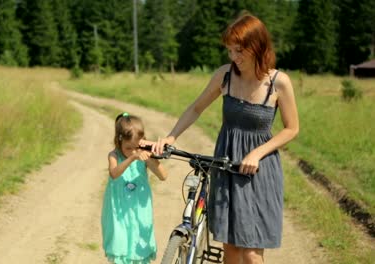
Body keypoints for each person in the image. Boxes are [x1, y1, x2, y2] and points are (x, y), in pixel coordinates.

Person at [152, 13, 299, 264]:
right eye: (230, 51)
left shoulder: (279, 82)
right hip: (227, 163)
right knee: (230, 246)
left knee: (252, 253)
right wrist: (170, 136)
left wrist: (256, 153)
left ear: (257, 46)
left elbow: (291, 128)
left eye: (239, 50)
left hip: (259, 170)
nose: (234, 57)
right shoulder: (225, 76)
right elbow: (196, 108)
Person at [102, 112, 168, 264]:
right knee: (121, 245)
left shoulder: (144, 156)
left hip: (139, 210)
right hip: (118, 212)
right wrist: (132, 158)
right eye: (128, 148)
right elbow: (114, 174)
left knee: (140, 244)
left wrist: (150, 156)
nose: (132, 151)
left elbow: (163, 176)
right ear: (119, 141)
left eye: (135, 147)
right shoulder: (114, 155)